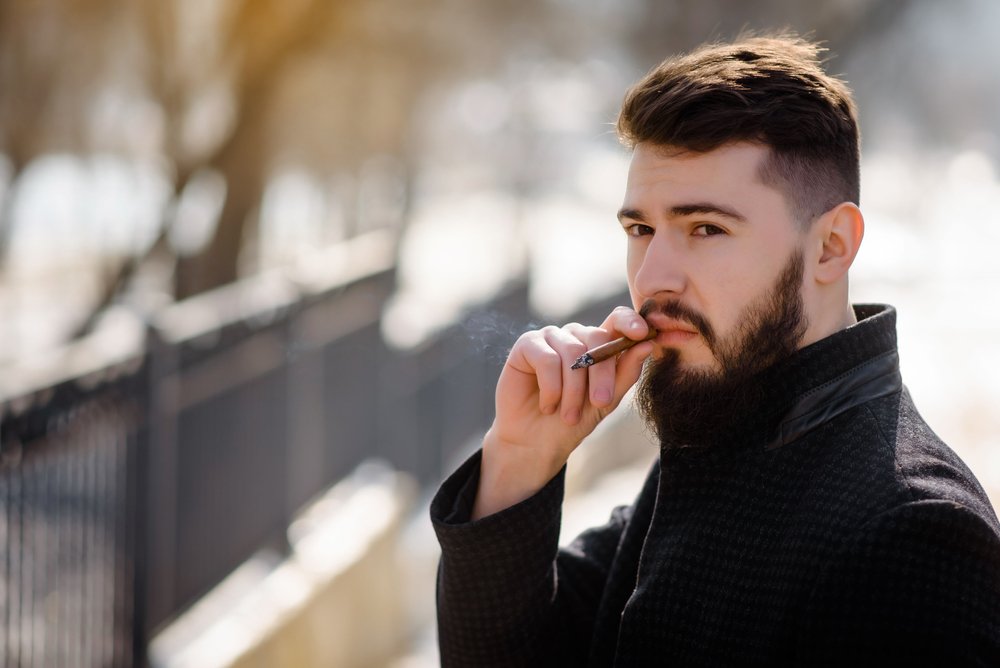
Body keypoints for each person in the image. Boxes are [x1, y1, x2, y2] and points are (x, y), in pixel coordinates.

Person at [430, 33, 1000, 666]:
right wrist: (518, 461)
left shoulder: (912, 536)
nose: (652, 279)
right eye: (642, 229)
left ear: (832, 246)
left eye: (706, 228)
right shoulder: (720, 441)